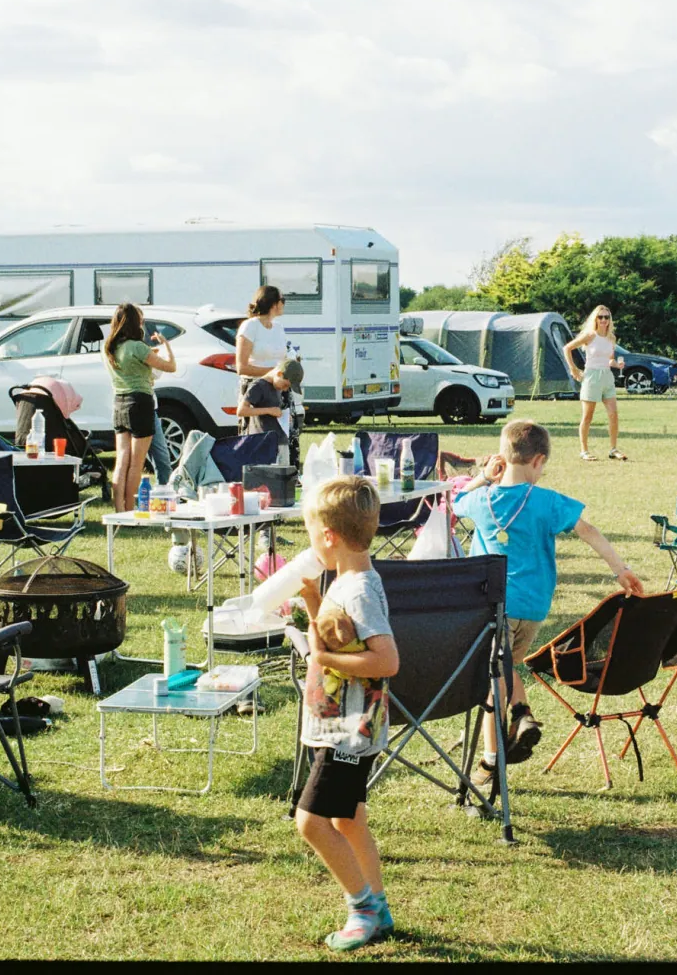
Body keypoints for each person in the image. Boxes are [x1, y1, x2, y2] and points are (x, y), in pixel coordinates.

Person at [452, 419, 644, 789]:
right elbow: (588, 531)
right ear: (538, 460)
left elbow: (455, 503)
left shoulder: (481, 499)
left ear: (502, 457)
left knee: (493, 683)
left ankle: (490, 762)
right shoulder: (548, 501)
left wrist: (484, 478)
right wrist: (620, 570)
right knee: (506, 666)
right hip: (534, 607)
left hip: (493, 606)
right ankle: (521, 714)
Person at [293, 475, 400, 951]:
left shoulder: (358, 591)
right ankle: (379, 906)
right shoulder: (347, 580)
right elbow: (340, 634)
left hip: (348, 732)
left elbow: (386, 661)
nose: (310, 543)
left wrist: (324, 658)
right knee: (348, 819)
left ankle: (363, 910)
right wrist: (312, 603)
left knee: (311, 822)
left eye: (311, 533)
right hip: (342, 724)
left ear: (329, 535)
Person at [104, 302, 175, 513]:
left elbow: (130, 364)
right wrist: (166, 345)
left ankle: (119, 511)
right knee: (137, 463)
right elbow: (171, 367)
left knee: (121, 461)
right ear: (135, 323)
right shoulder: (138, 347)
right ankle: (130, 510)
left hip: (119, 403)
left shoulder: (109, 348)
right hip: (140, 403)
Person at [237, 284, 302, 467]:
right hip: (257, 388)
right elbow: (241, 367)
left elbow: (282, 358)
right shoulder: (250, 327)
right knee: (258, 437)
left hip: (280, 387)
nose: (284, 304)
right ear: (273, 303)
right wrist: (272, 372)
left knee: (286, 435)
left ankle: (288, 472)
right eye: (283, 300)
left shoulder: (278, 328)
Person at [563, 305, 627, 461]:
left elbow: (609, 359)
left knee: (613, 414)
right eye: (600, 317)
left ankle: (613, 449)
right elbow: (567, 348)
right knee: (587, 416)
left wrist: (617, 364)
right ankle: (584, 451)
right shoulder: (590, 335)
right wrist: (573, 369)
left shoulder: (611, 338)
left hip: (607, 377)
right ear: (595, 319)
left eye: (606, 317)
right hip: (592, 377)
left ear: (610, 320)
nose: (604, 320)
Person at [238, 358, 304, 436]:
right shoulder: (258, 386)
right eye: (285, 385)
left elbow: (274, 410)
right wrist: (269, 410)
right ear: (279, 374)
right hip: (262, 439)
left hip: (276, 438)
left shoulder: (277, 387)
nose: (285, 389)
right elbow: (241, 411)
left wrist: (283, 416)